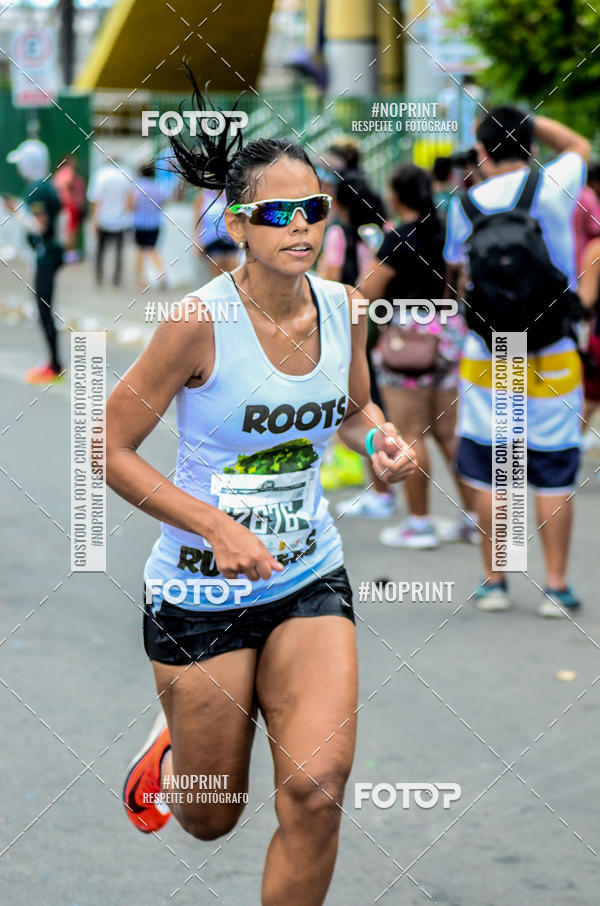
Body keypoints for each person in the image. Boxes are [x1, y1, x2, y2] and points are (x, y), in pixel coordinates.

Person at [104, 75, 416, 906]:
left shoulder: (346, 308)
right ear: (237, 224)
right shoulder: (197, 323)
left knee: (317, 793)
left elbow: (352, 411)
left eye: (313, 209)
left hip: (308, 569)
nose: (300, 227)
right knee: (211, 816)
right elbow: (107, 446)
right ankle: (177, 749)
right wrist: (213, 526)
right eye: (277, 214)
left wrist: (378, 440)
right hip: (199, 588)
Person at [444, 107, 590, 616]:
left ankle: (495, 580)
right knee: (551, 466)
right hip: (552, 349)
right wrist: (532, 120)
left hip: (489, 351)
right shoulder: (554, 184)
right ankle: (556, 586)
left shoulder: (466, 202)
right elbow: (580, 147)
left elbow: (458, 274)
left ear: (481, 153)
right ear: (529, 147)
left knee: (492, 465)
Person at [357, 163, 473, 546]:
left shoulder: (399, 238)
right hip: (451, 333)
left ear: (395, 195)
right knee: (449, 432)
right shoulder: (445, 231)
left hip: (407, 338)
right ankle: (475, 518)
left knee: (410, 432)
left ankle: (420, 523)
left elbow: (367, 292)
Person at [6, 139, 64, 384]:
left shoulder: (37, 188)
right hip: (49, 253)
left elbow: (40, 226)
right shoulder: (45, 186)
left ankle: (54, 365)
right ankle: (53, 362)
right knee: (44, 309)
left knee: (44, 310)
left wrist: (16, 212)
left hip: (46, 254)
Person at [88, 157, 133, 286]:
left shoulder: (100, 174)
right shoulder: (126, 173)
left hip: (103, 219)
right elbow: (129, 200)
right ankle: (116, 278)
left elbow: (96, 200)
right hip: (121, 220)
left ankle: (99, 276)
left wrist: (94, 220)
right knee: (119, 251)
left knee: (100, 250)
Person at [132, 162, 170, 289]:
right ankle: (162, 274)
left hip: (140, 223)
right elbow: (163, 203)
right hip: (155, 222)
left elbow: (131, 204)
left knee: (140, 251)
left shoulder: (137, 187)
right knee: (153, 249)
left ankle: (140, 279)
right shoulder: (158, 186)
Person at [192, 187, 239, 277]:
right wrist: (197, 243)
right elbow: (197, 221)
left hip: (229, 238)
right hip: (211, 240)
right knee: (218, 272)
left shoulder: (229, 195)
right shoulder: (203, 196)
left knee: (233, 272)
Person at [53, 154, 86, 262]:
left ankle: (69, 253)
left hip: (67, 205)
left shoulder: (59, 174)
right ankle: (69, 254)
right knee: (71, 230)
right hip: (70, 204)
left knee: (69, 229)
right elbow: (67, 184)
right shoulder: (68, 172)